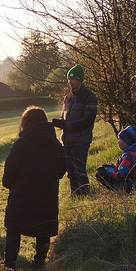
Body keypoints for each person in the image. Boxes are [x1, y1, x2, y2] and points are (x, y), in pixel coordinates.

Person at [3, 106, 66, 271]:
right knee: (44, 227)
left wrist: (9, 184)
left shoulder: (21, 144)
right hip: (47, 195)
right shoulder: (55, 144)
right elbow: (62, 170)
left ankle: (9, 264)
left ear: (25, 122)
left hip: (21, 197)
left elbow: (9, 172)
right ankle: (39, 262)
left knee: (14, 227)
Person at [52, 64, 97, 196]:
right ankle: (75, 197)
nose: (70, 82)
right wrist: (60, 123)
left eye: (72, 79)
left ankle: (85, 196)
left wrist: (67, 126)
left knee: (80, 172)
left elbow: (88, 120)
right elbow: (64, 116)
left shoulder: (90, 97)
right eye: (68, 79)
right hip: (67, 141)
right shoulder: (68, 98)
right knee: (70, 173)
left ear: (79, 79)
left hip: (81, 142)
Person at [96, 126, 136, 193]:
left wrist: (108, 170)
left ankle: (119, 190)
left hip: (130, 186)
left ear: (127, 141)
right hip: (133, 184)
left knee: (101, 174)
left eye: (120, 140)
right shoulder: (133, 153)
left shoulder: (129, 156)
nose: (118, 142)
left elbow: (120, 175)